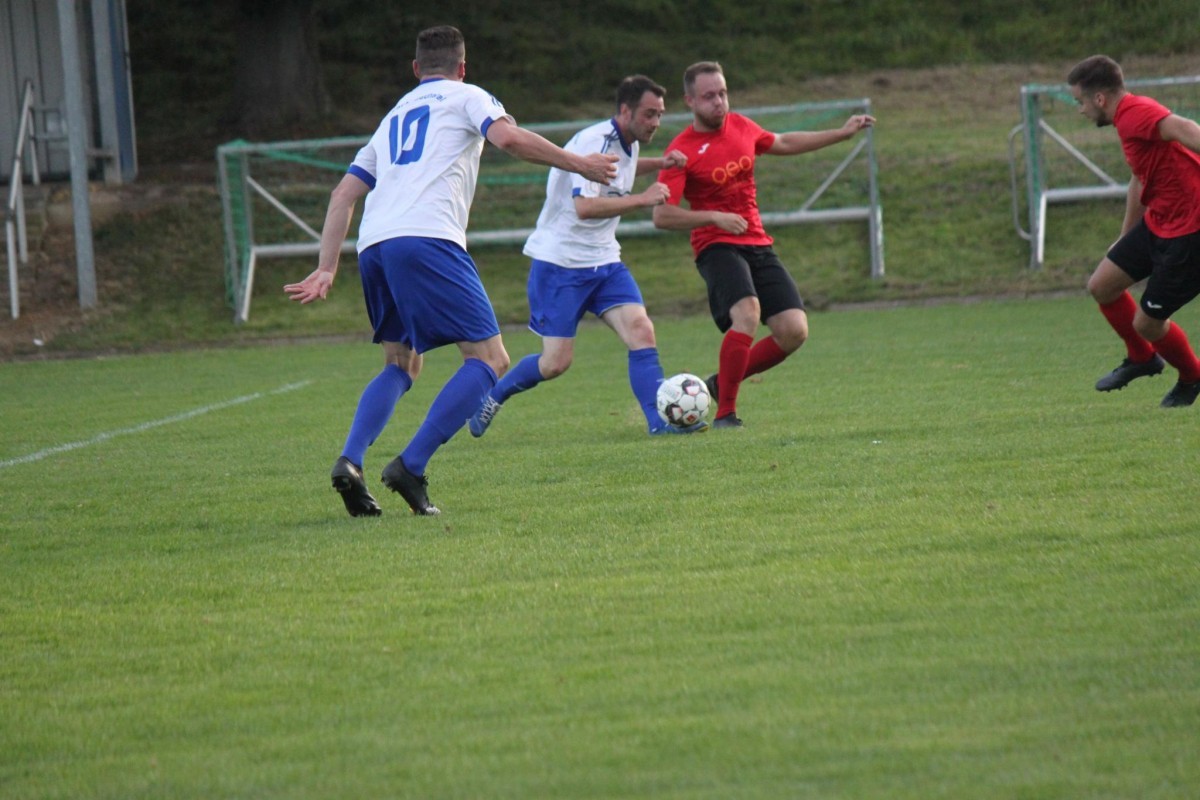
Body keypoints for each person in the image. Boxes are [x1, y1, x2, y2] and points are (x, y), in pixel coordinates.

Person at [284, 25, 618, 517]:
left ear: (416, 69)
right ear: (462, 67)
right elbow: (506, 137)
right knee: (490, 359)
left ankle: (351, 461)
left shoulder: (393, 115)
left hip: (375, 245)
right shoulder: (469, 96)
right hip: (427, 238)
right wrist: (578, 164)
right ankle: (410, 467)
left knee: (402, 363)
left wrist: (326, 267)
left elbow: (343, 195)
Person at [467, 75, 704, 439]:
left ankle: (659, 423)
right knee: (555, 363)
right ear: (625, 110)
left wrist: (662, 163)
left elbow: (623, 167)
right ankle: (494, 395)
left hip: (605, 261)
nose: (655, 122)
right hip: (561, 264)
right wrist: (644, 199)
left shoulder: (629, 140)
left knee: (641, 330)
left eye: (659, 115)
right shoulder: (597, 142)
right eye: (649, 114)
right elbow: (584, 207)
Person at [651, 61, 874, 428]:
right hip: (716, 246)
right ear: (689, 101)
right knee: (748, 312)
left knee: (793, 330)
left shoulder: (741, 126)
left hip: (756, 242)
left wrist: (841, 133)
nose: (719, 102)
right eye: (709, 96)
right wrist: (713, 217)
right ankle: (726, 413)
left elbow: (783, 141)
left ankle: (718, 384)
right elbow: (662, 216)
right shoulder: (681, 151)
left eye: (723, 93)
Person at [1068, 54, 1200, 408]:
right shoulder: (1128, 124)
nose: (1080, 110)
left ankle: (1192, 376)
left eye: (1080, 102)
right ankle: (1142, 359)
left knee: (1147, 323)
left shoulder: (1135, 112)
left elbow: (1186, 128)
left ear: (1099, 99)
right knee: (1102, 286)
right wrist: (1126, 235)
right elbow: (1140, 178)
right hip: (1159, 222)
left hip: (1190, 231)